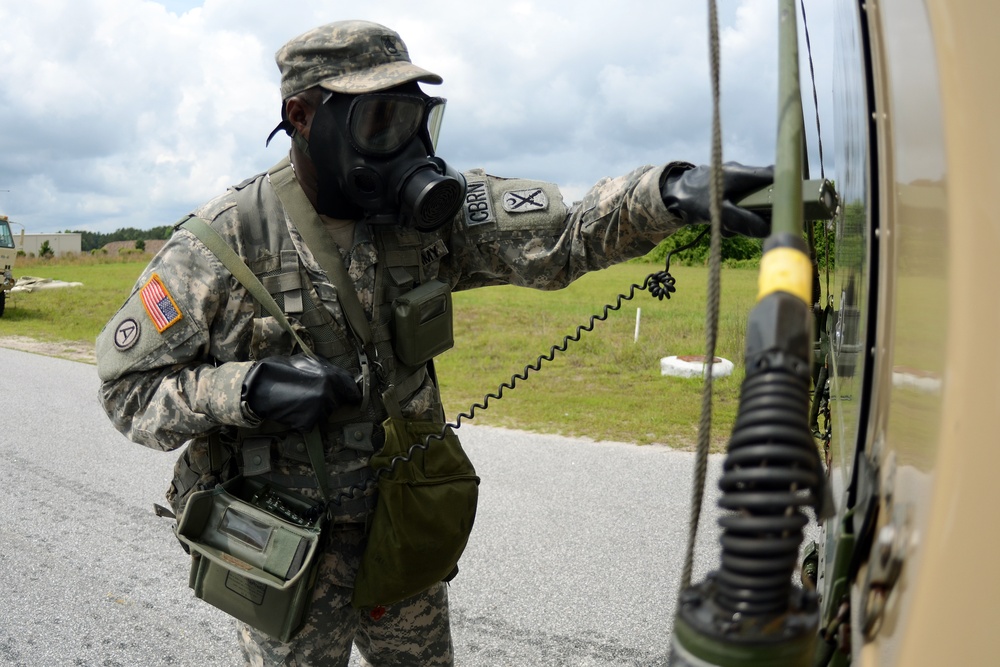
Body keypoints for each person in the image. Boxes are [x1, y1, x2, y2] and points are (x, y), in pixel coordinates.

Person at [95, 19, 772, 667]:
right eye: (379, 122)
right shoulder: (219, 246)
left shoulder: (423, 221)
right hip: (283, 549)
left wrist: (673, 193)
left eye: (416, 120)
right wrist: (243, 389)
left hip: (401, 531)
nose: (406, 147)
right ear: (303, 117)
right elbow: (127, 390)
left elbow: (567, 233)